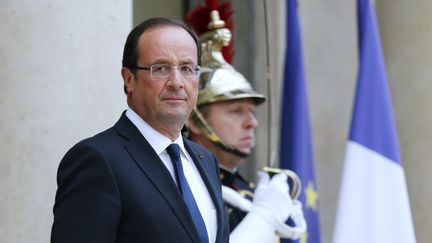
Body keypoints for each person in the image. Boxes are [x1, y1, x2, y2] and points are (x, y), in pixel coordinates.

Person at [51, 17, 230, 243]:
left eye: (187, 68)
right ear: (129, 79)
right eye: (161, 68)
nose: (177, 82)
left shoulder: (206, 160)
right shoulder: (98, 159)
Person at [186, 11, 306, 243]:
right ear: (194, 121)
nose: (252, 122)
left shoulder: (251, 191)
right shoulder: (182, 186)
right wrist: (265, 216)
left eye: (252, 112)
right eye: (236, 111)